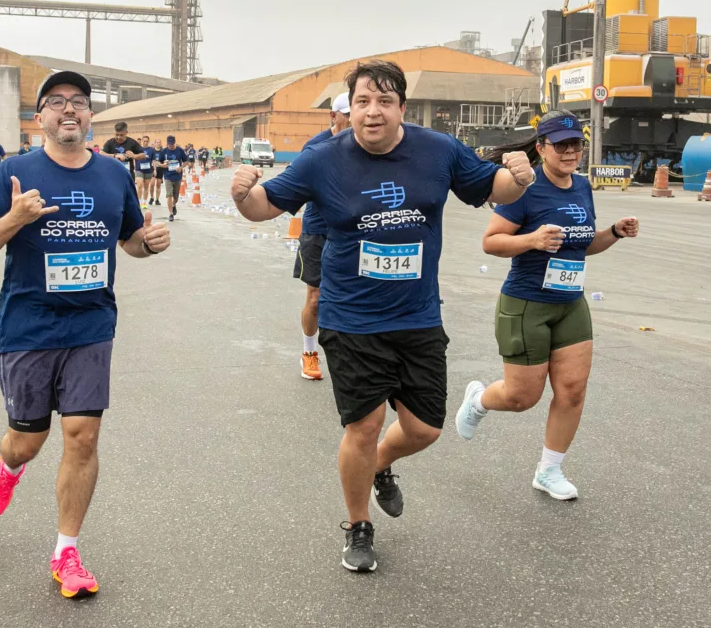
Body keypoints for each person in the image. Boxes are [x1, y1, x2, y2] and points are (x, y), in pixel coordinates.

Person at [230, 59, 536, 573]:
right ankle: (357, 526)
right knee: (364, 425)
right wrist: (242, 193)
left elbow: (492, 188)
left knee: (424, 429)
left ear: (401, 108)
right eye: (363, 102)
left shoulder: (437, 150)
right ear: (351, 107)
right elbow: (263, 206)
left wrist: (519, 179)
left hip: (417, 316)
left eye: (385, 102)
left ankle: (381, 467)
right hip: (351, 317)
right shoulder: (323, 159)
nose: (373, 112)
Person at [0, 70, 171, 599]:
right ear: (41, 118)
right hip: (28, 327)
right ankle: (9, 465)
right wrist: (14, 217)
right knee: (29, 441)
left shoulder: (113, 175)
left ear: (90, 116)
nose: (69, 109)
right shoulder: (14, 171)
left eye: (79, 101)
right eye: (57, 102)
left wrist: (150, 242)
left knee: (82, 434)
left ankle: (66, 551)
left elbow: (130, 242)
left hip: (92, 324)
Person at [454, 110, 640, 500]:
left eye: (576, 144)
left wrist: (613, 233)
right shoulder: (526, 189)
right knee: (522, 398)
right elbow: (492, 242)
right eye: (561, 145)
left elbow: (580, 244)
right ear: (541, 148)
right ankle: (478, 400)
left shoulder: (582, 186)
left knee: (572, 390)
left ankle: (549, 470)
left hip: (570, 303)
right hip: (526, 303)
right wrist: (532, 240)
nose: (571, 152)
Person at [295, 93, 351, 381]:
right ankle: (309, 353)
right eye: (349, 114)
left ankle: (352, 357)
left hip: (354, 232)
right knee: (315, 298)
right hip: (318, 231)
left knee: (351, 296)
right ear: (334, 116)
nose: (356, 120)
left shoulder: (369, 146)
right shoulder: (316, 148)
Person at [102, 122, 145, 195]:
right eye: (116, 135)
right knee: (114, 194)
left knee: (128, 195)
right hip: (113, 174)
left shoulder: (132, 142)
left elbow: (143, 155)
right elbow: (101, 154)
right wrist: (115, 156)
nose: (118, 137)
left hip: (128, 174)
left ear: (126, 132)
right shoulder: (110, 142)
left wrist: (134, 156)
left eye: (121, 135)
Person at [156, 135, 187, 222]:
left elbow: (186, 161)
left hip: (177, 176)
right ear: (167, 143)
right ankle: (170, 214)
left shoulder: (180, 150)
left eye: (172, 144)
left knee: (175, 196)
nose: (171, 146)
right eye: (169, 144)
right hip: (167, 176)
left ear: (175, 142)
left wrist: (181, 167)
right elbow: (158, 162)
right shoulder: (164, 151)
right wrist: (163, 165)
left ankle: (173, 205)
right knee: (169, 195)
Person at [134, 135, 159, 208]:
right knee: (140, 185)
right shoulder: (138, 149)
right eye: (144, 141)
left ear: (148, 141)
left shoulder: (151, 150)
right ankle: (138, 202)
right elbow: (134, 158)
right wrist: (134, 167)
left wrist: (155, 170)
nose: (145, 142)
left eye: (147, 141)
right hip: (139, 169)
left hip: (148, 170)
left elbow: (153, 160)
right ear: (142, 141)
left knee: (146, 187)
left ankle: (144, 203)